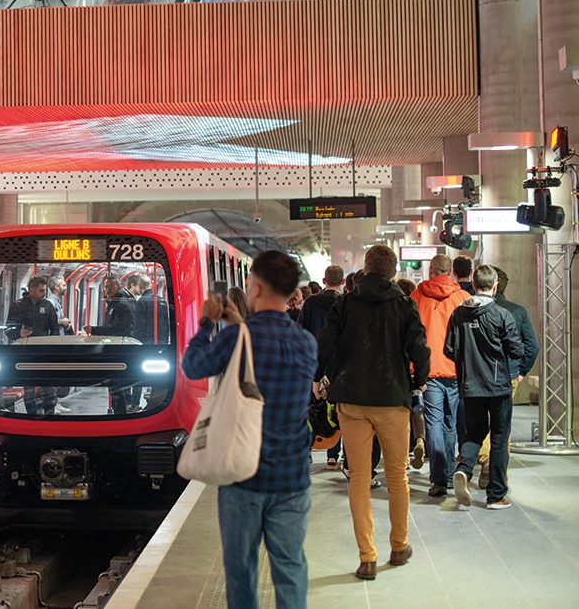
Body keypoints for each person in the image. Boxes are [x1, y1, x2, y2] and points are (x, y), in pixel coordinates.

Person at [181, 250, 317, 609]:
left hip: (243, 477)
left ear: (255, 287)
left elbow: (193, 366)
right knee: (290, 567)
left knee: (241, 571)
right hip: (292, 477)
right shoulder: (306, 343)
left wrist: (208, 324)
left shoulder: (235, 338)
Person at [318, 245, 429, 581]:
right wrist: (419, 382)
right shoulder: (404, 304)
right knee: (397, 477)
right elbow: (419, 347)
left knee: (360, 480)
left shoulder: (345, 302)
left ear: (366, 269)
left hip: (352, 401)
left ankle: (367, 558)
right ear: (393, 272)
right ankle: (399, 546)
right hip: (393, 399)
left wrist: (323, 375)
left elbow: (325, 341)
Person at [446, 265, 523, 510]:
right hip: (498, 387)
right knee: (499, 438)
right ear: (495, 286)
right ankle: (496, 495)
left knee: (474, 433)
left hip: (470, 385)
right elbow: (516, 350)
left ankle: (464, 470)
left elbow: (449, 349)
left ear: (474, 284)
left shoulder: (458, 314)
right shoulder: (501, 314)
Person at [409, 254, 470, 497]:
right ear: (451, 272)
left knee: (433, 422)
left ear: (431, 270)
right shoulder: (463, 298)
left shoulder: (417, 296)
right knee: (450, 421)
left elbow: (411, 335)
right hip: (456, 370)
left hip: (429, 370)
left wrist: (413, 368)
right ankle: (446, 473)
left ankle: (439, 480)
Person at [475, 266, 539, 487]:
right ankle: (498, 469)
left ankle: (484, 461)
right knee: (503, 423)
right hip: (508, 374)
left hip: (480, 374)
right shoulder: (518, 311)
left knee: (484, 419)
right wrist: (522, 371)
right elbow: (532, 346)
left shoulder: (473, 310)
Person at [300, 265, 344, 467]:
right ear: (342, 282)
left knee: (311, 410)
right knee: (337, 411)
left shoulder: (310, 304)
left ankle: (307, 450)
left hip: (314, 364)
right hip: (339, 366)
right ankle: (333, 454)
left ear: (324, 280)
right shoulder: (345, 303)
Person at [5, 277, 62, 414]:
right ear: (31, 290)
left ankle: (49, 414)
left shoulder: (47, 306)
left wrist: (53, 346)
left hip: (44, 353)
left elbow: (54, 328)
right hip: (25, 353)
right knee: (29, 388)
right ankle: (32, 415)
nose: (44, 293)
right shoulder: (17, 306)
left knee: (48, 387)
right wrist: (19, 333)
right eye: (41, 290)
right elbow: (8, 329)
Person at [86, 276, 137, 414]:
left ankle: (121, 415)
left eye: (111, 287)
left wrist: (94, 330)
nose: (108, 290)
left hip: (122, 350)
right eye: (106, 287)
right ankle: (118, 412)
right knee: (114, 385)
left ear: (119, 287)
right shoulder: (113, 304)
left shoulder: (122, 305)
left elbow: (117, 329)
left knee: (118, 385)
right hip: (115, 349)